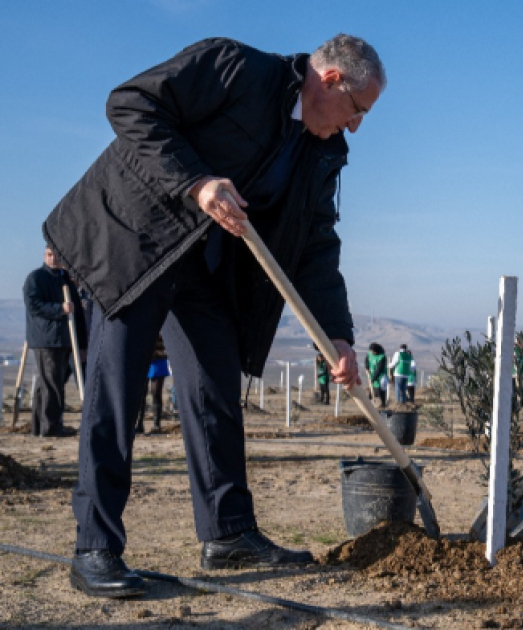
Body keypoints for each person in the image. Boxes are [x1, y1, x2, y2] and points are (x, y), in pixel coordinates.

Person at [43, 34, 382, 598]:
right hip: (134, 240)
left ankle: (227, 532)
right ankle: (95, 547)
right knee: (117, 391)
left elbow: (317, 247)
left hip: (200, 263)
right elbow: (129, 104)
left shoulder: (321, 152)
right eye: (358, 110)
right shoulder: (236, 67)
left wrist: (339, 335)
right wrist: (197, 183)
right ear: (329, 82)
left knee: (214, 386)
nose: (356, 127)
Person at [23, 245, 87, 438]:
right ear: (44, 255)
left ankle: (40, 427)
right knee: (52, 384)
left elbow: (78, 315)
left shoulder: (65, 279)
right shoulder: (35, 278)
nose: (52, 259)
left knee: (48, 384)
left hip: (65, 340)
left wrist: (83, 344)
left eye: (56, 256)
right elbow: (34, 305)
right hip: (47, 339)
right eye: (49, 255)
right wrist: (59, 309)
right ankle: (51, 428)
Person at [135, 335, 170, 434]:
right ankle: (139, 424)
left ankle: (156, 425)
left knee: (156, 393)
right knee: (141, 394)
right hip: (143, 359)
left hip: (158, 359)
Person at [366, 343, 388, 408]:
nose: (371, 353)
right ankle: (370, 406)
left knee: (380, 390)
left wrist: (373, 379)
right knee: (371, 390)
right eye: (371, 351)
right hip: (371, 375)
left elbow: (379, 369)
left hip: (380, 376)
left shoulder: (382, 357)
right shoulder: (369, 354)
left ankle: (382, 404)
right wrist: (367, 368)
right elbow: (366, 361)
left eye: (373, 351)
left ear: (376, 351)